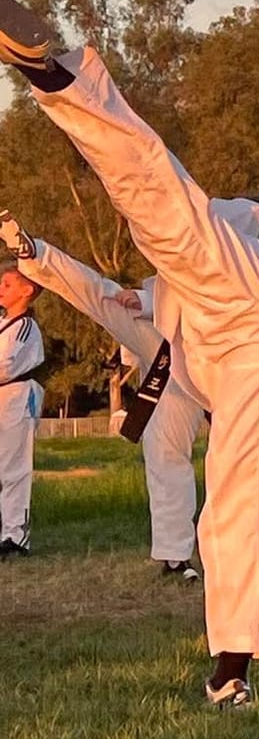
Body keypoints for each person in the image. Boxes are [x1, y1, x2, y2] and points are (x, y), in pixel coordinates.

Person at [0, 0, 259, 707]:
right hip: (197, 343)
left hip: (248, 325)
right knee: (151, 246)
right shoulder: (250, 265)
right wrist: (34, 255)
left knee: (163, 210)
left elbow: (172, 210)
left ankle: (233, 663)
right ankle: (221, 643)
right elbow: (109, 294)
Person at [2, 218, 201, 575]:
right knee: (104, 297)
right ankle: (175, 557)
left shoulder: (239, 253)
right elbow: (177, 293)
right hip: (169, 358)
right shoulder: (185, 255)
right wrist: (145, 305)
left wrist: (145, 300)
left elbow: (214, 298)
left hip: (219, 362)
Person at [0, 265, 43, 557]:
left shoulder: (25, 327)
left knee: (13, 467)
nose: (1, 289)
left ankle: (16, 536)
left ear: (27, 290)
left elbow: (6, 365)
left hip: (16, 396)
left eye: (7, 284)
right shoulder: (2, 323)